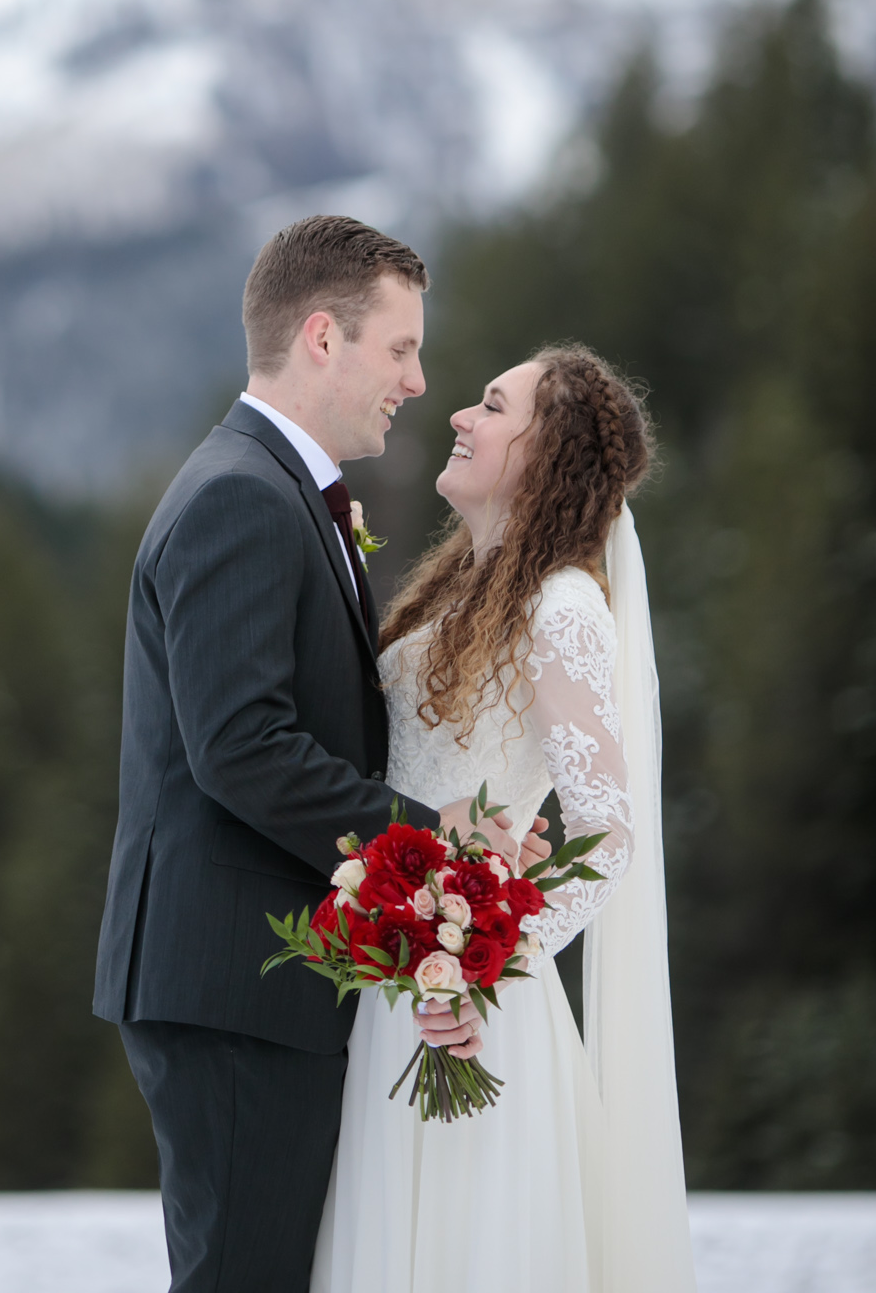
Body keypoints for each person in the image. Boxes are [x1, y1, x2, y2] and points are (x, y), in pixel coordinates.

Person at [93, 216, 550, 1293]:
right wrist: (435, 850)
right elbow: (243, 750)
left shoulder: (269, 488)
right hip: (235, 982)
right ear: (321, 339)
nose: (419, 378)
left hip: (256, 978)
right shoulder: (241, 500)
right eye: (400, 349)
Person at [311, 344, 697, 1293]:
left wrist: (480, 963)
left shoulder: (561, 605)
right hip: (388, 983)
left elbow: (607, 835)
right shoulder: (456, 586)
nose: (458, 416)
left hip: (467, 1006)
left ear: (544, 455)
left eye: (492, 406)